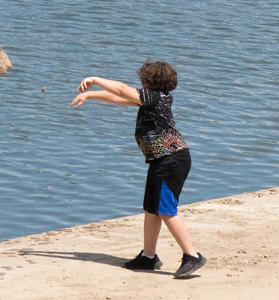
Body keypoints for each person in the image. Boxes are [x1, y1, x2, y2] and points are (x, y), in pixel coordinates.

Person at [69, 60, 206, 278]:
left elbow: (122, 89)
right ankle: (148, 257)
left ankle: (192, 256)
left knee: (165, 209)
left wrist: (95, 79)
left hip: (171, 160)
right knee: (152, 209)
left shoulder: (153, 97)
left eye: (143, 79)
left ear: (150, 82)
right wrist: (90, 95)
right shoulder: (153, 99)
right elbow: (120, 98)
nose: (140, 83)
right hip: (161, 160)